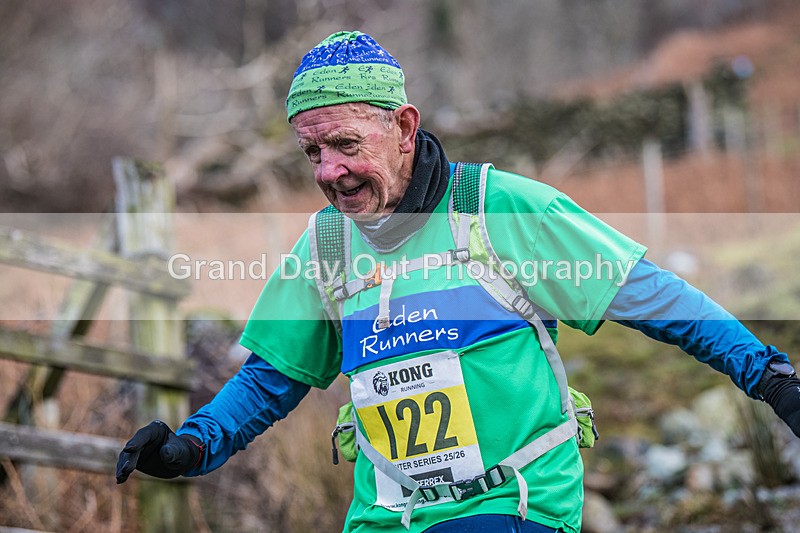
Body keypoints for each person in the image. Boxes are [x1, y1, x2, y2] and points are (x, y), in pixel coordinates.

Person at [116, 31, 800, 533]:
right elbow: (272, 376)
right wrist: (190, 446)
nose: (327, 172)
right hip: (384, 516)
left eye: (346, 146)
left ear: (404, 127)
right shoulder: (326, 244)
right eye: (311, 152)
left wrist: (770, 377)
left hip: (512, 506)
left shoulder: (501, 208)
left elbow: (652, 294)